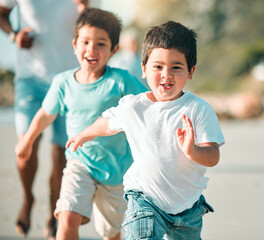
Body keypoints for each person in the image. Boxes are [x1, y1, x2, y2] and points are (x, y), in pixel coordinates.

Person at [66, 21, 225, 240]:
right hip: (145, 198)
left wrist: (193, 150)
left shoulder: (198, 109)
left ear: (191, 71)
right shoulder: (134, 106)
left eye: (176, 67)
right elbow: (106, 123)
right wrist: (86, 133)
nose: (166, 74)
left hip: (188, 207)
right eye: (158, 67)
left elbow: (213, 155)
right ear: (143, 68)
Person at [15, 7, 147, 240]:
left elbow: (148, 106)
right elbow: (46, 114)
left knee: (111, 233)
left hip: (116, 171)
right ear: (74, 45)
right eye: (85, 42)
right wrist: (27, 139)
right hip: (79, 163)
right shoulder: (63, 82)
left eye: (100, 44)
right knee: (67, 217)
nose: (91, 49)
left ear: (114, 50)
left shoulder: (121, 81)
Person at [0, 0, 88, 238]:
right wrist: (14, 35)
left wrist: (84, 7)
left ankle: (53, 215)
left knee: (62, 154)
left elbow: (92, 24)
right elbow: (1, 13)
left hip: (71, 79)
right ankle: (28, 199)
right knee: (25, 149)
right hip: (30, 78)